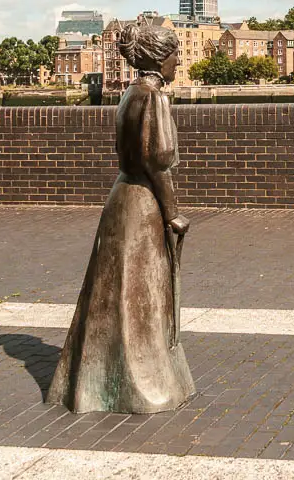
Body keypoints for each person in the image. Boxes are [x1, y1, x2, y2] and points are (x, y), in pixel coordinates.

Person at [46, 22, 195, 413]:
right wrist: (173, 213)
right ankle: (144, 383)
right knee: (140, 295)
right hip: (144, 205)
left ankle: (95, 379)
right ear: (160, 59)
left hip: (120, 200)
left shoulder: (129, 94)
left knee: (113, 293)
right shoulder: (154, 98)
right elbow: (158, 163)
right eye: (175, 54)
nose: (178, 61)